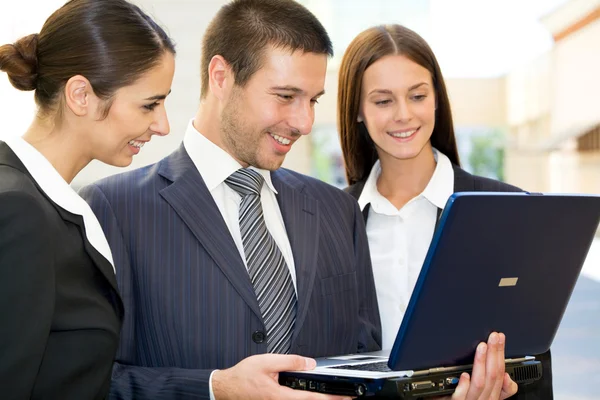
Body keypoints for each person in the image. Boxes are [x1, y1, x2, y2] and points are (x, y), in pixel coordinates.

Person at [338, 24, 552, 399]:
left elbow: (534, 367)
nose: (403, 114)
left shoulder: (508, 211)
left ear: (436, 98)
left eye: (417, 95)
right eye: (383, 100)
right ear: (357, 110)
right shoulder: (331, 219)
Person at [0, 0, 175, 398]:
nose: (163, 125)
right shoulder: (18, 211)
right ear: (81, 95)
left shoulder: (53, 204)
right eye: (150, 104)